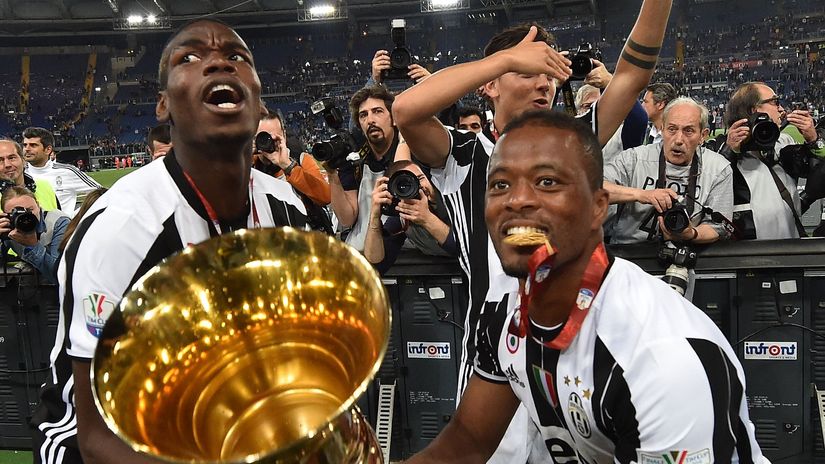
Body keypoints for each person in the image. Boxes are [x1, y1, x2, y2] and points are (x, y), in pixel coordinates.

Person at [406, 109, 766, 464]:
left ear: (598, 208)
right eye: (500, 185)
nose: (517, 201)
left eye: (547, 182)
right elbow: (466, 444)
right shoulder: (504, 314)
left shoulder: (663, 360)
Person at [393, 2, 672, 460]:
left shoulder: (570, 143)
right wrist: (504, 59)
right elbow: (406, 110)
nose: (544, 82)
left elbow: (632, 76)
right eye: (529, 72)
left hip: (570, 353)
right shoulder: (465, 153)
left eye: (549, 73)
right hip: (491, 359)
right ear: (490, 85)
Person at [32, 19, 308, 464]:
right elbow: (97, 438)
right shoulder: (121, 229)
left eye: (237, 57)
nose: (219, 62)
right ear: (162, 105)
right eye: (191, 57)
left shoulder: (286, 207)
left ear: (258, 101)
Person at [603, 97, 733, 244]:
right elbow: (594, 190)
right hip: (629, 251)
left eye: (688, 131)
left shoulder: (718, 168)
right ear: (662, 129)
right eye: (672, 129)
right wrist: (641, 194)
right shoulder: (634, 159)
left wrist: (691, 234)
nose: (678, 139)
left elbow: (718, 227)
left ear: (703, 135)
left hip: (688, 252)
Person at [722, 81, 824, 239]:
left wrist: (813, 140)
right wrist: (729, 152)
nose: (781, 109)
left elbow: (817, 176)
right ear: (754, 109)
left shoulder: (783, 141)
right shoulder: (721, 151)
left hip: (792, 247)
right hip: (749, 252)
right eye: (775, 102)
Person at [364, 160, 456, 273]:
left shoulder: (452, 197)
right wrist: (374, 216)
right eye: (402, 185)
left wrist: (427, 218)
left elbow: (466, 249)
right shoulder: (403, 215)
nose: (416, 187)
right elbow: (377, 265)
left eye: (420, 179)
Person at [253, 109, 331, 206]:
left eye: (275, 138)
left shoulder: (301, 159)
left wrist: (288, 167)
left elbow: (326, 197)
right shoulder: (248, 166)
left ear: (284, 136)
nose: (269, 143)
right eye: (263, 139)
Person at [23, 127, 102, 214]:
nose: (27, 149)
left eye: (33, 145)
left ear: (48, 150)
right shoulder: (19, 174)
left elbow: (102, 193)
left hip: (62, 222)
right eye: (25, 145)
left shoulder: (67, 171)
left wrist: (77, 216)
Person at [0, 186, 69, 284]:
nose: (25, 217)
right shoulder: (7, 227)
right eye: (15, 213)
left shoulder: (58, 223)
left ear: (38, 205)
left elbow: (60, 276)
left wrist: (33, 246)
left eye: (30, 210)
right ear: (5, 215)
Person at [0, 138, 60, 211]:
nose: (7, 164)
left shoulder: (44, 186)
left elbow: (58, 216)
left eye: (12, 158)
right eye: (0, 160)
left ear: (23, 160)